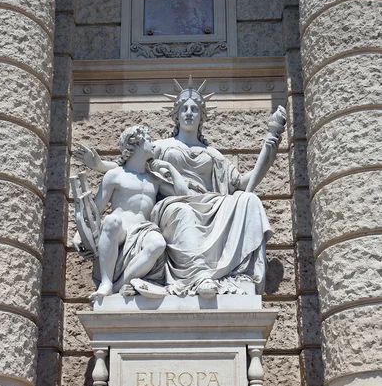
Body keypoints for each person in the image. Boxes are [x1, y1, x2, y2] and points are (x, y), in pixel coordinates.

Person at [147, 77, 286, 297]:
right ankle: (198, 277)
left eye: (195, 109)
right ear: (176, 114)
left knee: (249, 200)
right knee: (182, 212)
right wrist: (98, 165)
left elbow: (242, 183)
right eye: (184, 108)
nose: (189, 113)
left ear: (202, 115)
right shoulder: (160, 147)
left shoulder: (212, 154)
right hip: (174, 202)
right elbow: (132, 168)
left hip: (210, 203)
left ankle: (240, 273)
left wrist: (269, 154)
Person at [74, 125, 188, 298]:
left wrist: (170, 168)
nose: (154, 144)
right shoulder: (115, 175)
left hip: (144, 229)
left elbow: (182, 195)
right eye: (149, 139)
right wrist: (79, 233)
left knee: (158, 244)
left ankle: (118, 285)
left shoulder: (154, 180)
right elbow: (96, 209)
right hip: (120, 230)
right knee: (112, 221)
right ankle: (106, 283)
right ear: (136, 144)